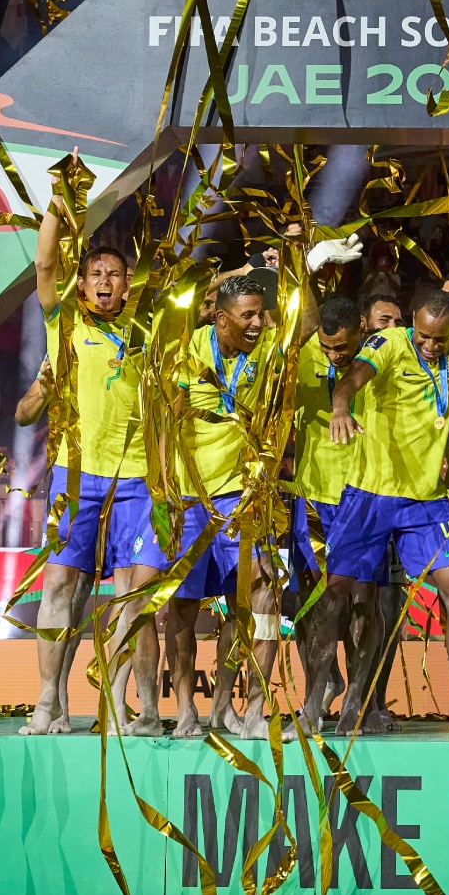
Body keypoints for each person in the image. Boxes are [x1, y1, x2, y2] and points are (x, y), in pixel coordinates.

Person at [15, 170, 153, 737]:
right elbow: (46, 266)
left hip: (138, 477)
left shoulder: (145, 335)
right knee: (58, 587)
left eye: (113, 275)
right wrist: (57, 205)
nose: (103, 281)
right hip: (76, 473)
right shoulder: (64, 320)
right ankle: (48, 700)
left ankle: (116, 705)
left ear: (126, 286)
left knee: (129, 594)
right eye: (94, 273)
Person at [327, 290, 449, 738]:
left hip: (425, 499)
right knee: (338, 594)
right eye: (423, 336)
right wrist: (341, 408)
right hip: (369, 495)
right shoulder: (391, 343)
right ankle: (324, 706)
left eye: (440, 339)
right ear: (412, 325)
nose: (430, 346)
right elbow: (351, 380)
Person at [168, 271, 288, 739]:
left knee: (262, 597)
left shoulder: (266, 346)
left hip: (245, 495)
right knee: (182, 606)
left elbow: (304, 323)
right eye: (249, 316)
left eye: (262, 313)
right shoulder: (186, 348)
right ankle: (184, 709)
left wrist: (304, 260)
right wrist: (167, 495)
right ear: (220, 319)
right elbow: (167, 420)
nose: (260, 323)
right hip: (190, 496)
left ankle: (240, 708)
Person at [291, 294, 377, 732]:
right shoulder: (303, 350)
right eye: (328, 349)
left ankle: (358, 702)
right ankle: (316, 699)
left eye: (342, 348)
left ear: (362, 327)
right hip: (311, 495)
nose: (334, 356)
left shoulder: (381, 357)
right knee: (312, 603)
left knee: (361, 601)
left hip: (363, 496)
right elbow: (298, 313)